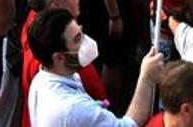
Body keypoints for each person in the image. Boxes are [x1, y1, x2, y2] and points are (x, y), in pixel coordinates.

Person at [24, 8, 165, 127]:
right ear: (59, 58)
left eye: (81, 32)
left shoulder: (42, 79)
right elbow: (129, 125)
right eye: (77, 39)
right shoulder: (73, 108)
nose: (86, 41)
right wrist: (146, 77)